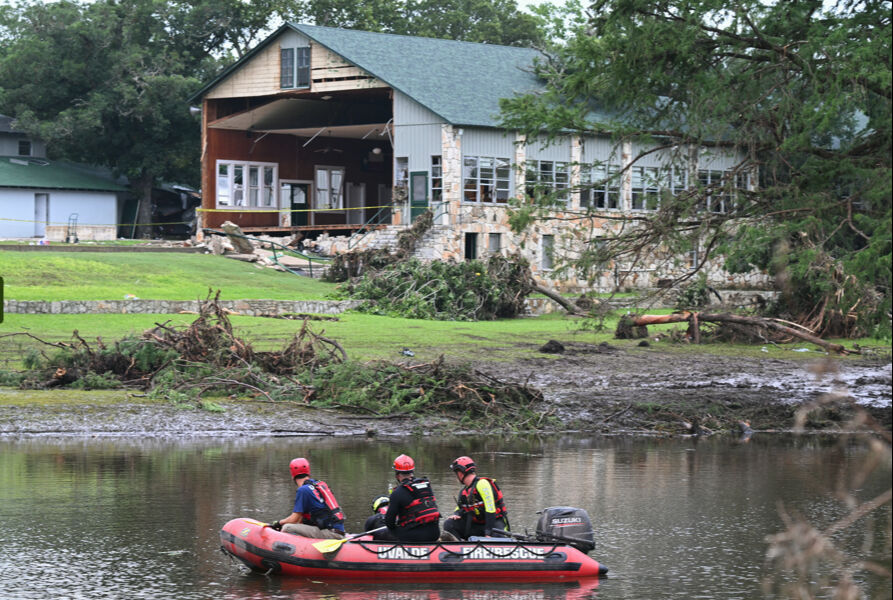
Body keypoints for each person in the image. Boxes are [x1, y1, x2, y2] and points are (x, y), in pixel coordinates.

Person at [268, 457, 345, 540]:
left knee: (287, 528)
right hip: (338, 531)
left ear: (292, 475)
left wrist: (279, 523)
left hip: (331, 534)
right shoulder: (318, 485)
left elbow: (294, 519)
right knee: (294, 525)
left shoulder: (303, 490)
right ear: (308, 472)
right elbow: (300, 519)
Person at [444, 455, 509, 540]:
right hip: (477, 526)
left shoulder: (482, 483)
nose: (456, 476)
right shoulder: (464, 492)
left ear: (460, 473)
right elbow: (459, 509)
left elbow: (490, 510)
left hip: (494, 526)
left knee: (496, 536)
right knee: (449, 524)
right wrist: (456, 515)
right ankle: (461, 548)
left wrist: (488, 533)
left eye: (456, 473)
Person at [384, 454, 441, 542]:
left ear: (397, 474)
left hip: (413, 536)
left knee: (386, 532)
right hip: (435, 534)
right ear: (412, 472)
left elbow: (389, 523)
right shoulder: (426, 485)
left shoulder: (397, 492)